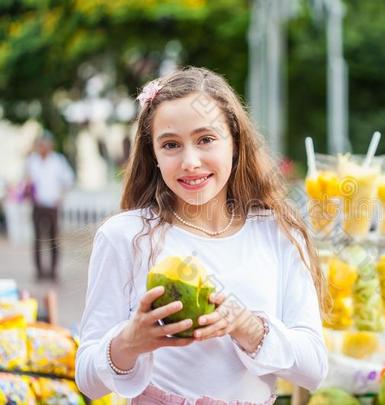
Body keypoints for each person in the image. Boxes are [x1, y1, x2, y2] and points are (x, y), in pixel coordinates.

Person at [75, 67, 328, 403]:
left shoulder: (278, 233)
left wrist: (247, 326)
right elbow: (87, 380)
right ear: (154, 155)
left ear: (235, 143)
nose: (190, 161)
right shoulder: (125, 236)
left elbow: (314, 369)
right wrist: (129, 341)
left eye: (206, 139)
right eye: (170, 145)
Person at [25, 132, 75, 280]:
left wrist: (60, 196)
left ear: (50, 146)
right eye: (40, 145)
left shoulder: (58, 161)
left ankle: (53, 271)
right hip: (37, 205)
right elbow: (27, 180)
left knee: (53, 239)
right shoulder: (32, 161)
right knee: (37, 239)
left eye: (45, 145)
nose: (42, 148)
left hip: (52, 206)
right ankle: (39, 272)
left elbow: (69, 180)